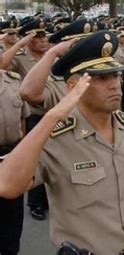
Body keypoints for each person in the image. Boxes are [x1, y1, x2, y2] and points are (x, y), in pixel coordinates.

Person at [0, 31, 124, 254]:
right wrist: (52, 116)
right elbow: (7, 186)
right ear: (73, 86)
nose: (115, 85)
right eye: (101, 78)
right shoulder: (56, 138)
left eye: (116, 75)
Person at [1, 18, 51, 221]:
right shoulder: (21, 58)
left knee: (50, 161)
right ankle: (36, 202)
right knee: (32, 164)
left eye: (44, 35)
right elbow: (2, 63)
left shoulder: (51, 58)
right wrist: (20, 43)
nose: (42, 40)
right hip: (34, 117)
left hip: (51, 116)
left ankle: (47, 199)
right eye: (36, 36)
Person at [0, 68, 30, 255]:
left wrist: (22, 149)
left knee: (13, 212)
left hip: (12, 153)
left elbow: (23, 117)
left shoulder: (13, 80)